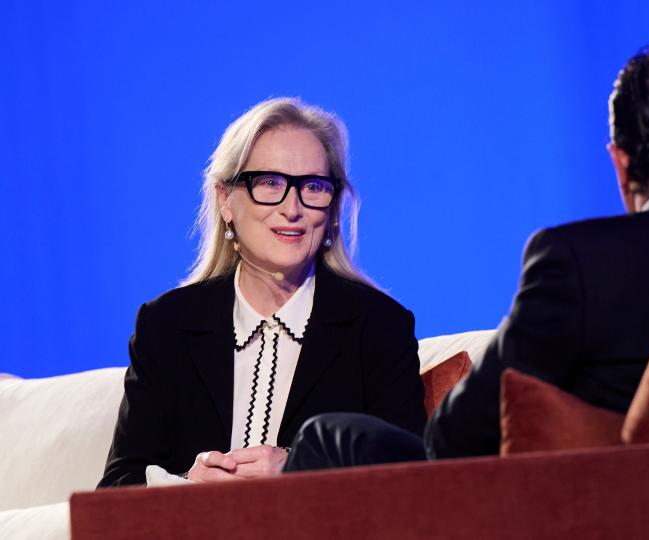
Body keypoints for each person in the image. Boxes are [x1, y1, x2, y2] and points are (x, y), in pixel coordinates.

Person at [282, 36, 649, 470]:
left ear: (621, 163)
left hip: (600, 510)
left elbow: (458, 434)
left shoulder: (579, 259)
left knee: (329, 434)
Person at [98, 98, 425, 487]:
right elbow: (118, 484)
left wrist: (301, 470)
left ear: (333, 207)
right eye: (269, 183)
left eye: (314, 187)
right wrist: (186, 485)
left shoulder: (379, 327)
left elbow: (412, 479)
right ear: (225, 200)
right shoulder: (167, 327)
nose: (293, 208)